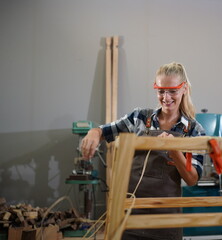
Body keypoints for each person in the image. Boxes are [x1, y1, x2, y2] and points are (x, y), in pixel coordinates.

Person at [81, 62, 206, 240]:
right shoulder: (139, 118)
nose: (166, 97)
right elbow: (106, 131)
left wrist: (174, 150)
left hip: (166, 220)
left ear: (184, 88)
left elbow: (192, 178)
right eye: (161, 90)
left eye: (172, 91)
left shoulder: (194, 130)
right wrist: (95, 132)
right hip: (130, 214)